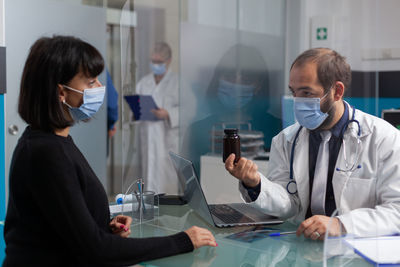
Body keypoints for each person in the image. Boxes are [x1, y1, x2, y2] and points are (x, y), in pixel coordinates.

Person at [3, 35, 216, 266]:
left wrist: (104, 226)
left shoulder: (53, 142)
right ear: (61, 93)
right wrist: (183, 240)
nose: (101, 88)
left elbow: (62, 223)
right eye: (91, 81)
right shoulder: (47, 153)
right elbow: (97, 250)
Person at [225, 48, 400, 240]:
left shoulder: (384, 139)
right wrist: (256, 184)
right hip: (303, 245)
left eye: (307, 93)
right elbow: (288, 204)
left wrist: (341, 224)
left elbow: (396, 211)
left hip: (357, 249)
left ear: (337, 91)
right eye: (294, 92)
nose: (298, 102)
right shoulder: (285, 140)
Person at [184, 44, 282, 173]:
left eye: (246, 79)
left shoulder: (276, 128)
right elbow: (190, 179)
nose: (236, 84)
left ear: (258, 86)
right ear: (218, 79)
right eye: (230, 76)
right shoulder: (197, 130)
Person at [131, 42, 180, 195]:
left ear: (169, 61)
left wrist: (168, 113)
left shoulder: (178, 83)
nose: (155, 65)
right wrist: (136, 110)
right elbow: (136, 112)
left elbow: (190, 111)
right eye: (153, 61)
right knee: (149, 175)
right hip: (148, 138)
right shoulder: (143, 83)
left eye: (159, 62)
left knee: (169, 183)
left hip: (168, 140)